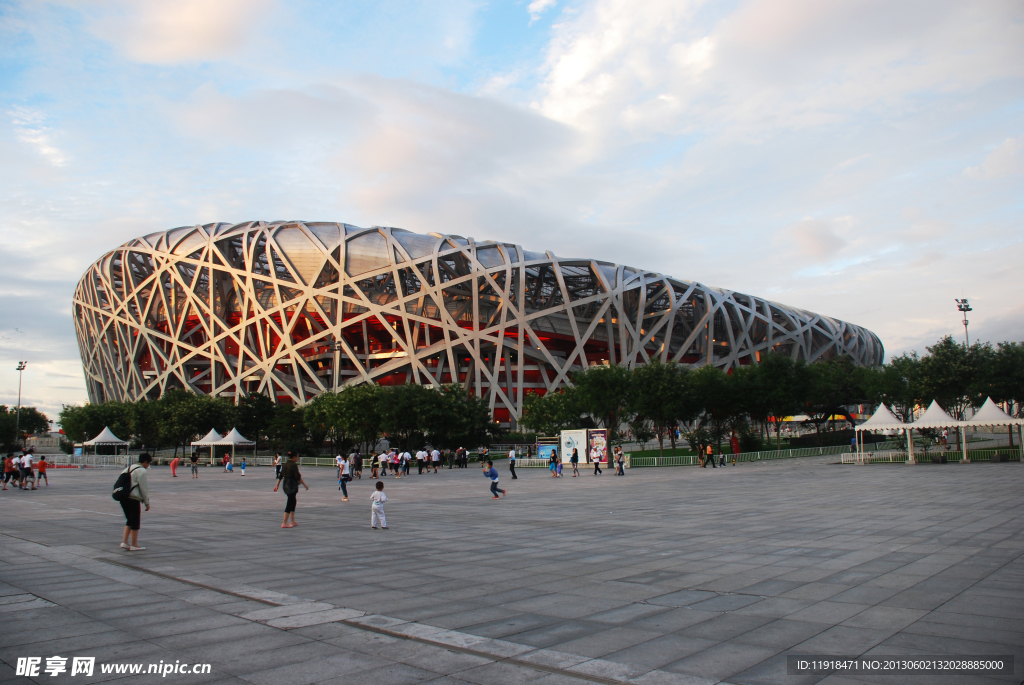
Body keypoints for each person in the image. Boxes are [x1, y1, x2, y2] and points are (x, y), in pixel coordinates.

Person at [119, 453, 152, 551]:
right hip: (133, 498)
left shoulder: (129, 468)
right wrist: (147, 502)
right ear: (145, 462)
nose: (148, 466)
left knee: (129, 520)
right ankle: (134, 544)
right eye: (148, 463)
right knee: (135, 521)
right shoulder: (141, 470)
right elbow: (144, 487)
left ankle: (125, 542)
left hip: (123, 497)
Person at [273, 452, 308, 528]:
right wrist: (305, 485)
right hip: (291, 485)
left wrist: (277, 486)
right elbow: (298, 477)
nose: (298, 458)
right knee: (290, 502)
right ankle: (284, 522)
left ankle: (292, 521)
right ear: (294, 457)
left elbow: (280, 476)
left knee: (293, 501)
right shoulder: (293, 465)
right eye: (297, 456)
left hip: (286, 484)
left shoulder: (285, 464)